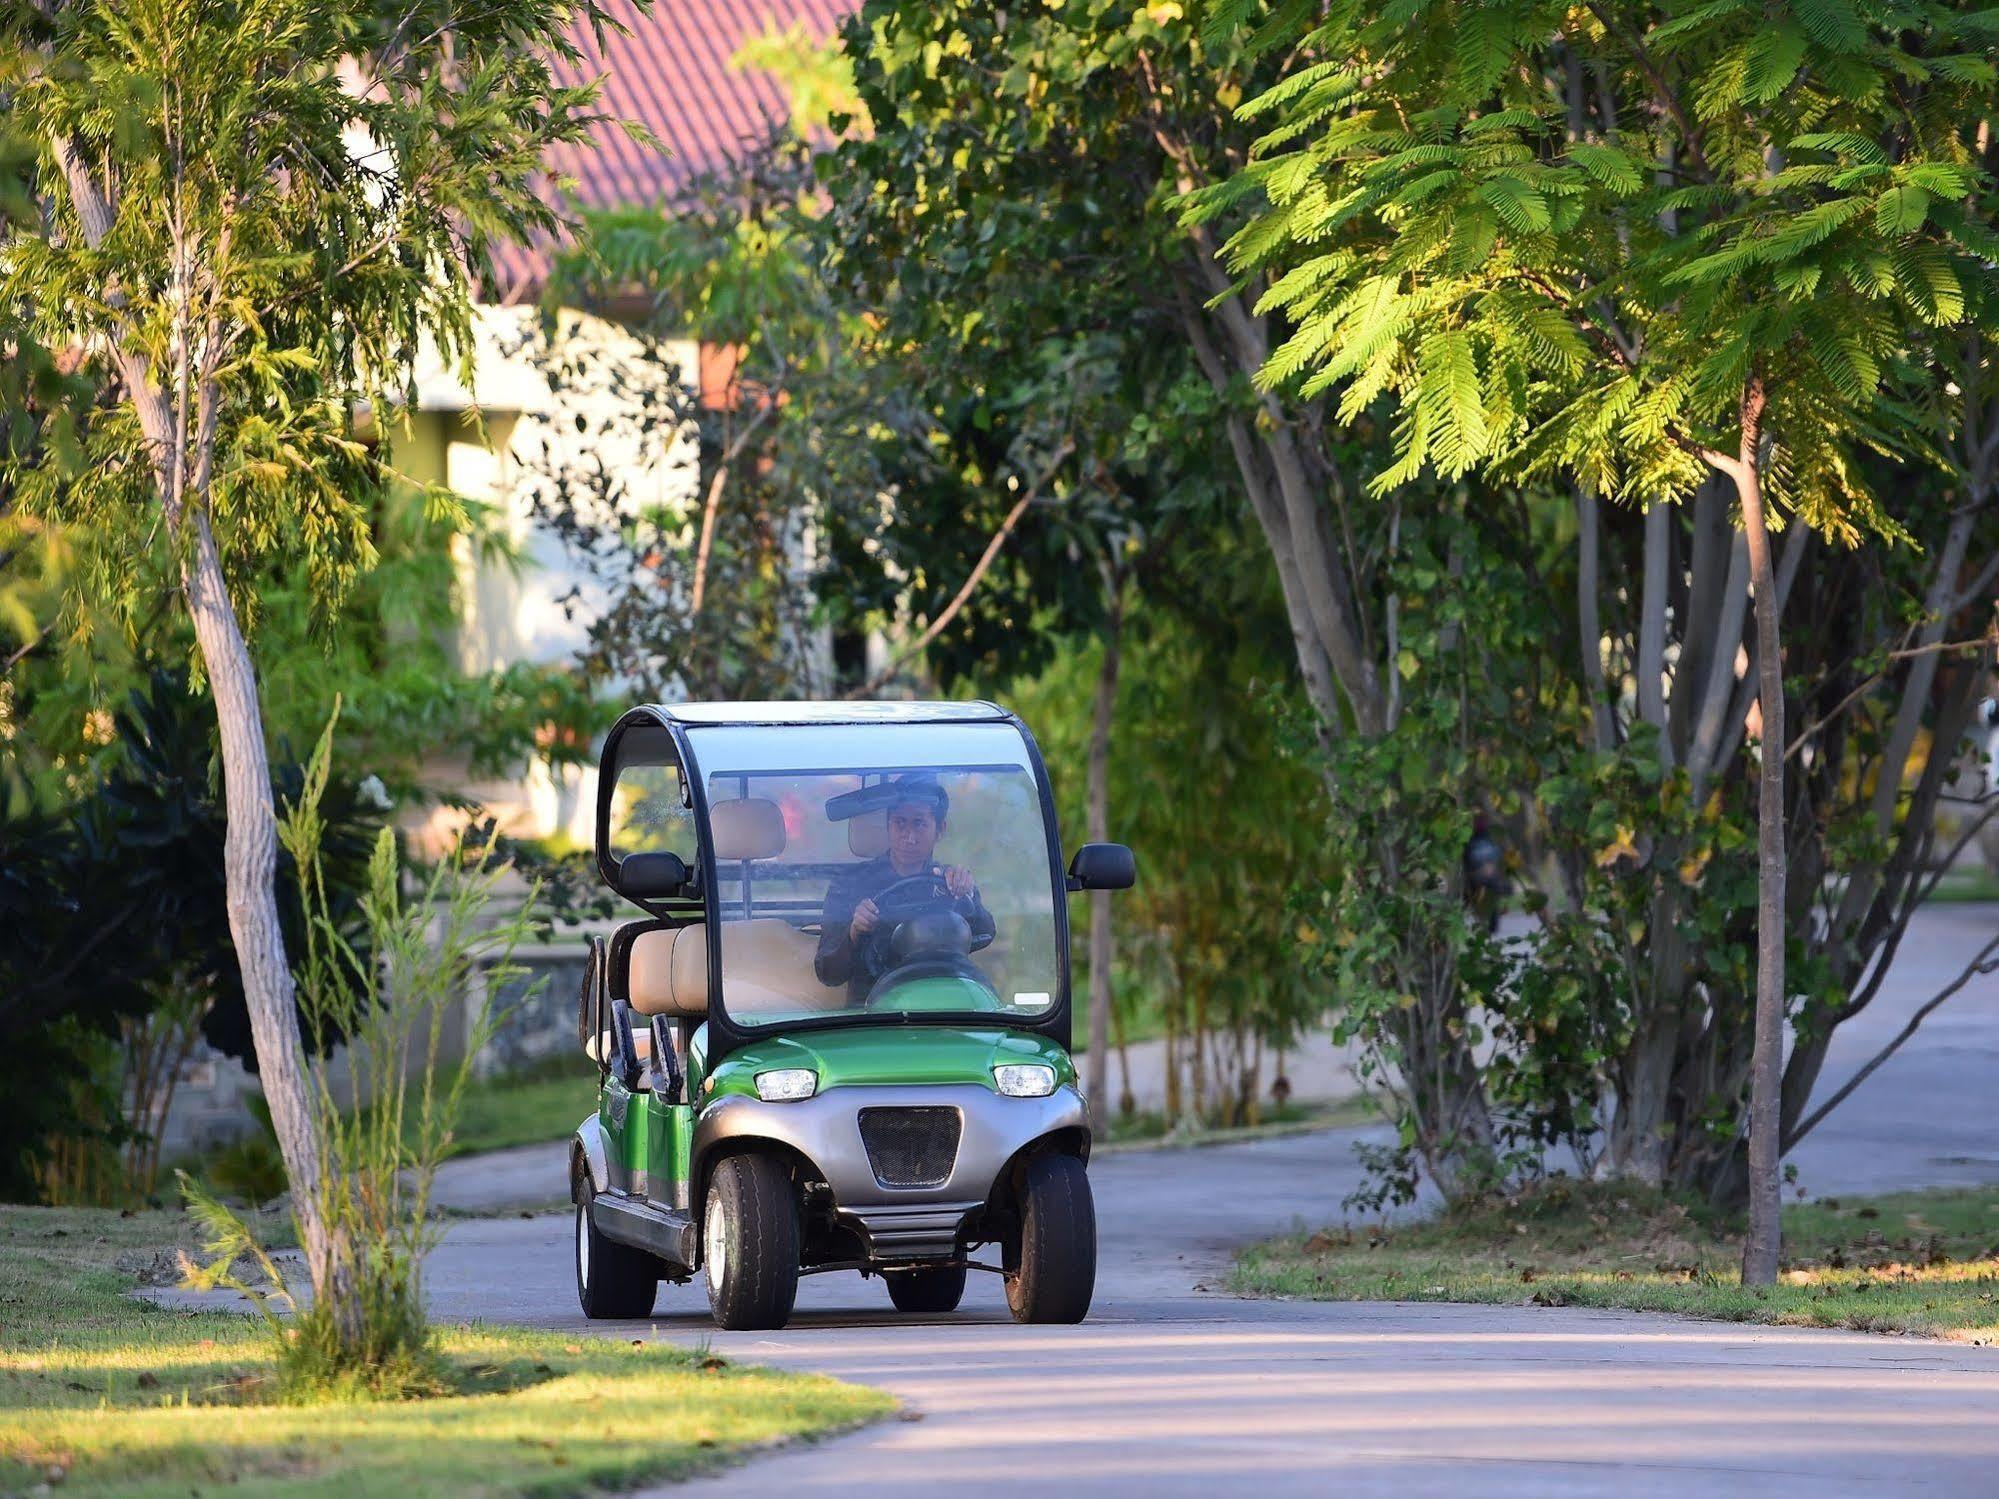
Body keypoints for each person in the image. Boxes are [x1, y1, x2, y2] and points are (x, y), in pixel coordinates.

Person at [814, 774, 995, 1003]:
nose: (909, 837)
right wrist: (854, 930)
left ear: (940, 829)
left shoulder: (951, 884)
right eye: (900, 822)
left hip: (944, 1009)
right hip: (872, 1016)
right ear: (888, 825)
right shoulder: (849, 884)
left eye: (919, 824)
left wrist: (966, 892)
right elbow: (827, 973)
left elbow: (986, 933)